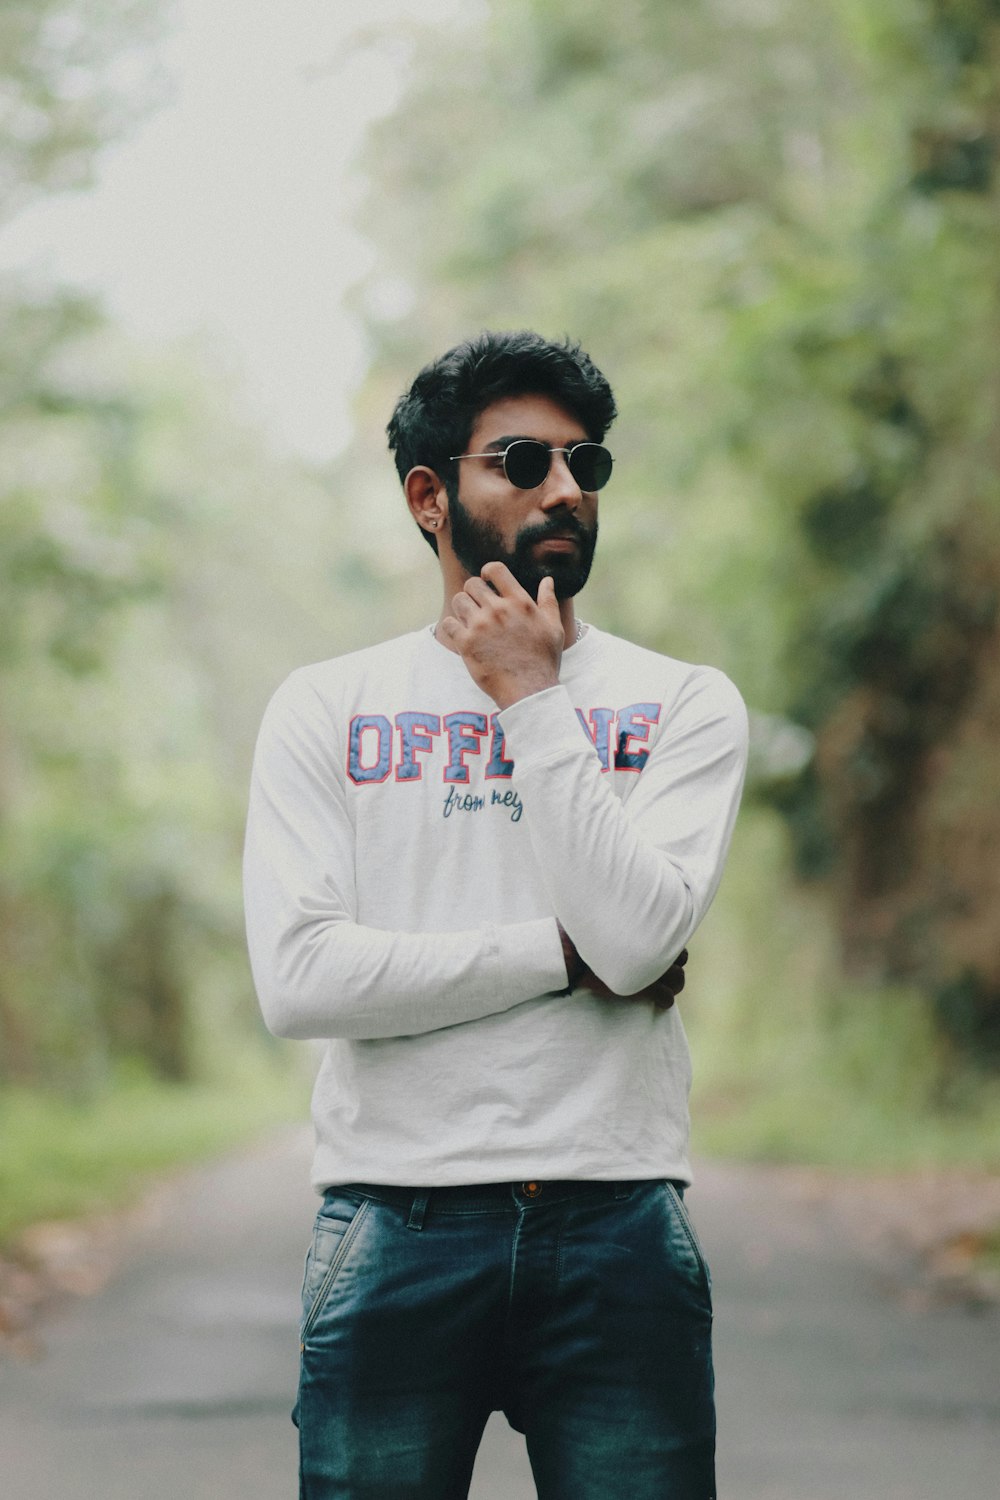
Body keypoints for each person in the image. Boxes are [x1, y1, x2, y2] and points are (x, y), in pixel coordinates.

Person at [243, 330, 748, 1499]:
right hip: (393, 1223)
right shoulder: (327, 707)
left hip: (617, 1215)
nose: (564, 489)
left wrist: (530, 691)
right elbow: (302, 981)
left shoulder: (682, 704)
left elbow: (636, 944)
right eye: (521, 461)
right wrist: (559, 956)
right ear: (430, 497)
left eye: (586, 463)